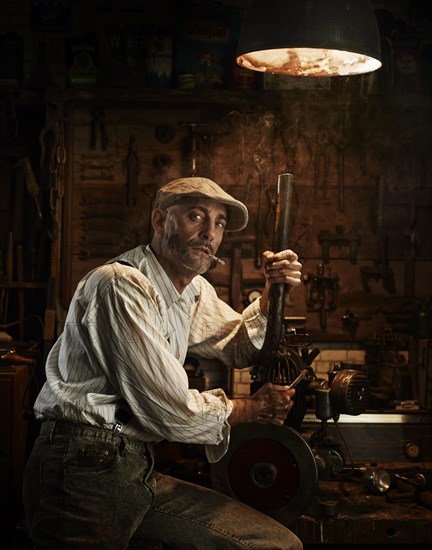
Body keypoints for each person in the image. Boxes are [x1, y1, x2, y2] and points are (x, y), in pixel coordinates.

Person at [23, 177, 304, 550]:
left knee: (271, 543)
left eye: (219, 224)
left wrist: (272, 293)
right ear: (159, 221)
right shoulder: (120, 285)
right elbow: (168, 409)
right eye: (195, 216)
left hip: (136, 466)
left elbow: (239, 345)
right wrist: (250, 409)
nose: (209, 233)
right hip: (83, 466)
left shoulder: (191, 291)